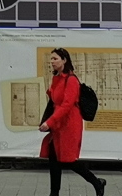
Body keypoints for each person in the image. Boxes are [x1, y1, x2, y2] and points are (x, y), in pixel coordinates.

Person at [38, 48, 106, 196]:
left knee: (68, 160)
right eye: (51, 59)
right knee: (54, 159)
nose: (52, 61)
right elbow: (55, 100)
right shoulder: (57, 78)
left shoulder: (72, 80)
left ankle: (97, 182)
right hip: (58, 124)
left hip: (69, 125)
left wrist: (49, 122)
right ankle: (54, 193)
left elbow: (67, 105)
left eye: (55, 58)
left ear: (64, 60)